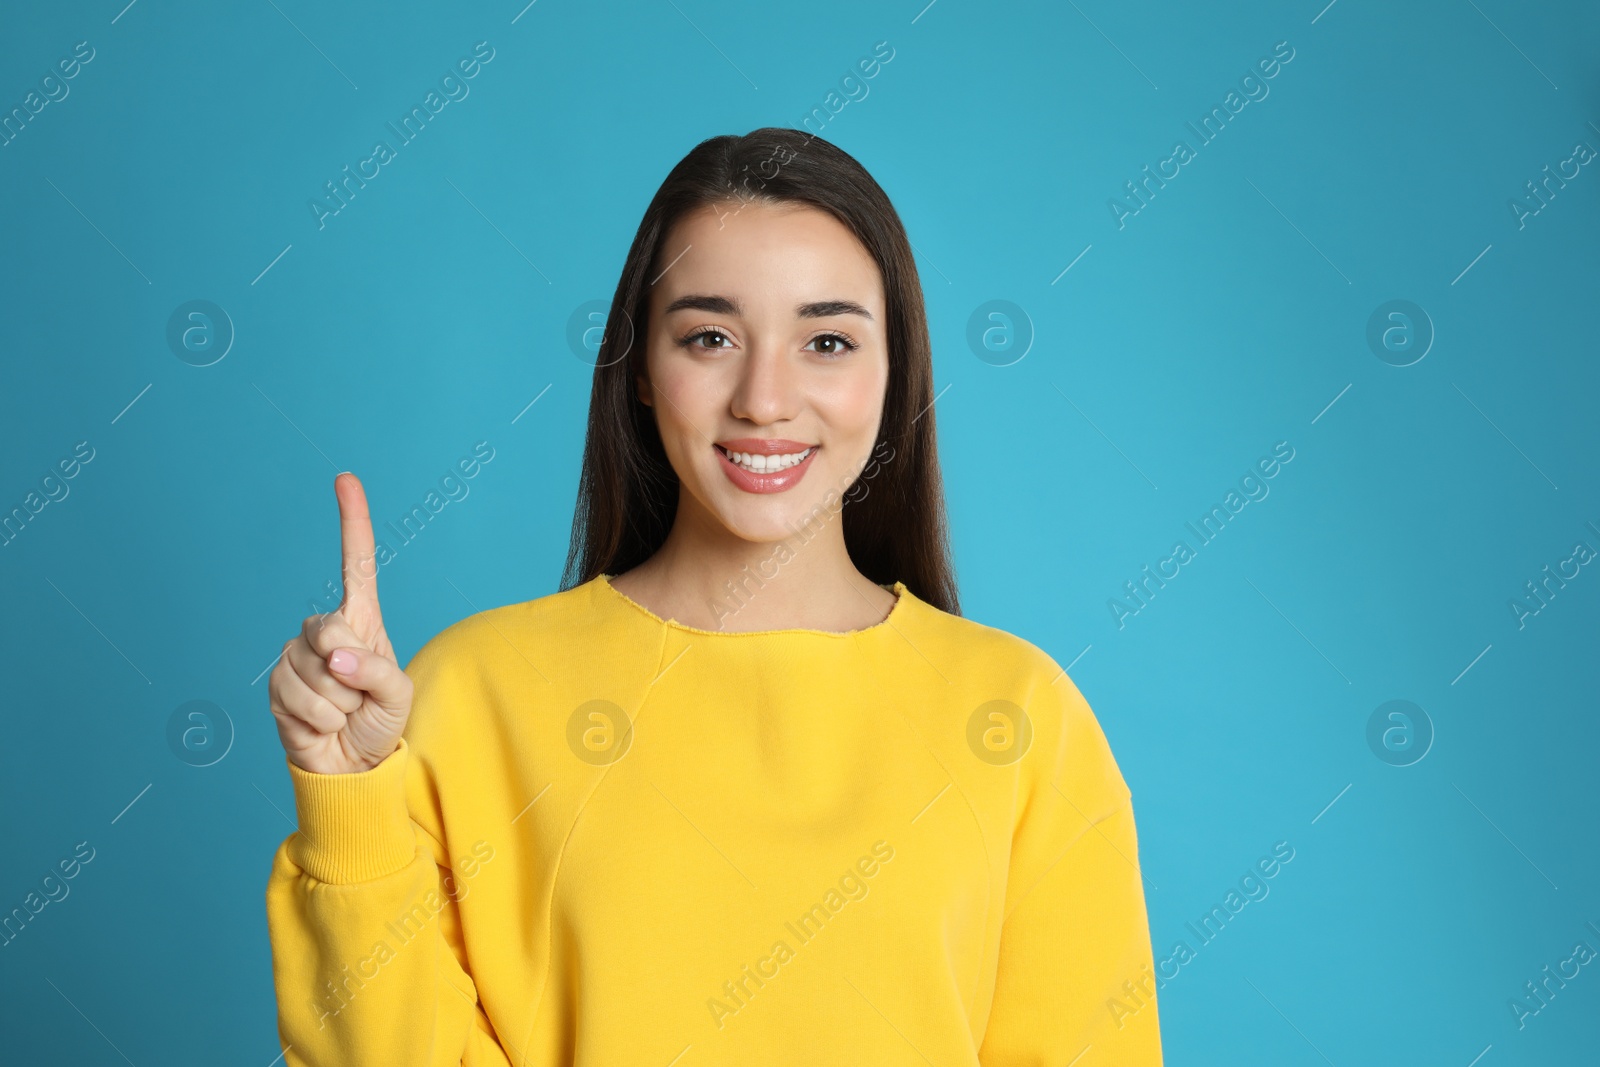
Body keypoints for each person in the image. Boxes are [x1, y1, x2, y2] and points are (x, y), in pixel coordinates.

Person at [264, 127, 1163, 1065]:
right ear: (643, 371)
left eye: (827, 339)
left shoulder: (1019, 717)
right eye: (710, 336)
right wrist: (349, 800)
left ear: (893, 374)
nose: (764, 399)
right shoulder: (473, 691)